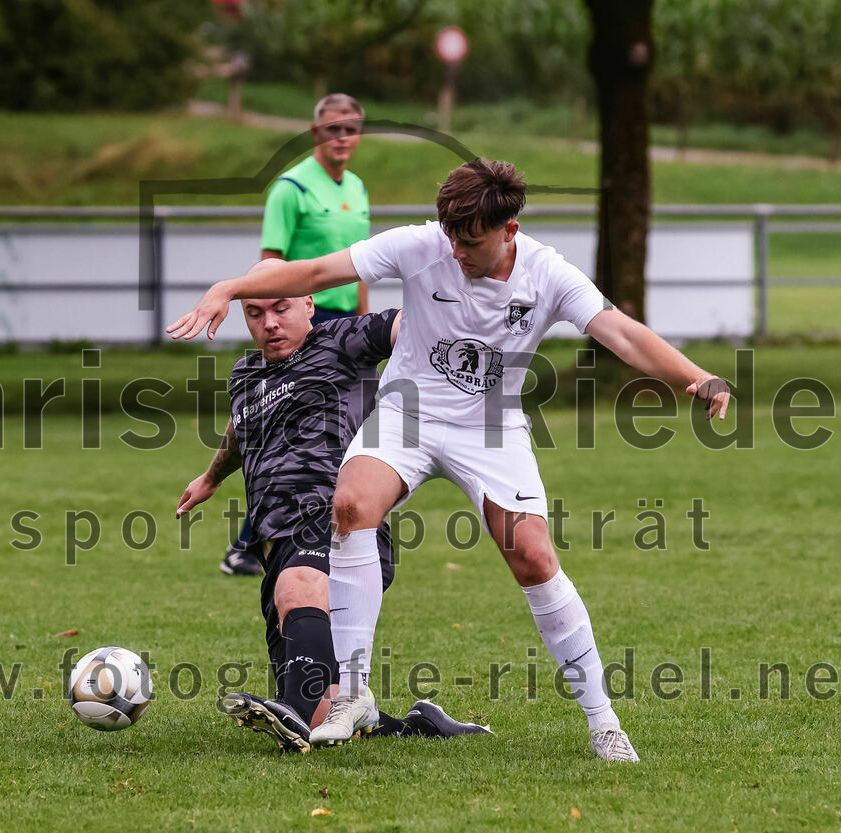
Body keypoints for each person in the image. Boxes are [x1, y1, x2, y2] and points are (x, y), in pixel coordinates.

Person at [168, 158, 732, 763]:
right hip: (406, 413)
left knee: (533, 557)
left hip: (490, 429)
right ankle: (352, 693)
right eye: (451, 238)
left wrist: (697, 376)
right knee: (350, 505)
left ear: (509, 230)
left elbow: (620, 332)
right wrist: (229, 287)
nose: (456, 252)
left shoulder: (548, 274)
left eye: (470, 242)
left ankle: (604, 722)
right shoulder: (422, 245)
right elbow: (315, 270)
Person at [177, 273, 491, 753]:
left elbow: (414, 324)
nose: (269, 323)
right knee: (324, 711)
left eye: (281, 308)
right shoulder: (245, 374)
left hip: (338, 515)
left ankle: (292, 711)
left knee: (299, 590)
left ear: (308, 303)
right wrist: (211, 477)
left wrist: (467, 301)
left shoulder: (343, 340)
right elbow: (241, 431)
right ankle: (415, 724)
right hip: (272, 533)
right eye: (255, 313)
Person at [220, 92, 373, 577]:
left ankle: (333, 537)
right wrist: (279, 320)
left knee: (344, 438)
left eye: (351, 128)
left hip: (345, 327)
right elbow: (270, 267)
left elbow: (362, 263)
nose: (342, 137)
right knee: (292, 439)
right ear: (315, 133)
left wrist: (366, 323)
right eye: (333, 129)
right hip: (306, 320)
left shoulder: (357, 187)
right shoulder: (290, 188)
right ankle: (247, 545)